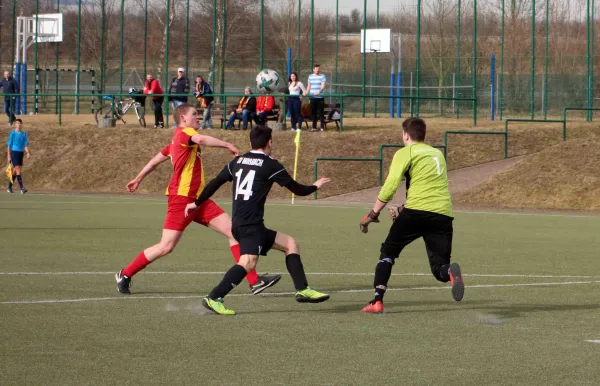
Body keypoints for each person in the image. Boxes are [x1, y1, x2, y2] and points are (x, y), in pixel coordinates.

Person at [115, 104, 281, 296]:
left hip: (199, 200)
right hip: (181, 199)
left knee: (235, 232)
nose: (198, 117)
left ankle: (254, 282)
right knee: (166, 246)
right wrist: (227, 144)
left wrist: (138, 178)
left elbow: (155, 160)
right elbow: (200, 138)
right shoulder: (184, 134)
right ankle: (125, 274)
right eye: (194, 114)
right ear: (183, 119)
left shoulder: (179, 141)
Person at [184, 125, 331, 315]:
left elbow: (215, 183)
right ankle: (214, 298)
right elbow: (298, 190)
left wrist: (197, 203)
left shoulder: (237, 162)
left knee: (290, 244)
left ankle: (302, 290)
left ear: (250, 142)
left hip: (243, 223)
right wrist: (315, 186)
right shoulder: (271, 164)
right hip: (250, 226)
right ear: (269, 142)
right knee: (248, 263)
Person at [359, 118, 464, 314]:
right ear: (423, 135)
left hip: (415, 213)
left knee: (388, 252)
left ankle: (377, 301)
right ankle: (449, 272)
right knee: (439, 268)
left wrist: (373, 213)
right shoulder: (437, 154)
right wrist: (401, 208)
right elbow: (430, 189)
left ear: (405, 135)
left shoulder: (405, 152)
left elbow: (390, 186)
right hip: (442, 214)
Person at [6, 119, 30, 194]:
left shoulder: (24, 134)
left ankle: (9, 187)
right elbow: (9, 146)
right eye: (17, 123)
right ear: (15, 124)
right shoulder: (12, 133)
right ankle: (22, 188)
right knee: (18, 169)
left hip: (20, 153)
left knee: (15, 172)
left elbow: (25, 145)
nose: (19, 125)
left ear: (22, 124)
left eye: (20, 123)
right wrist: (9, 156)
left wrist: (27, 153)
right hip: (14, 153)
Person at [305, 64, 326, 132]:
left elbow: (323, 86)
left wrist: (319, 91)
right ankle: (314, 127)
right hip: (312, 97)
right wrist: (306, 92)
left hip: (320, 97)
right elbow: (309, 86)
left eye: (319, 69)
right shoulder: (310, 77)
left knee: (321, 113)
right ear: (313, 69)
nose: (318, 70)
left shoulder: (323, 76)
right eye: (316, 69)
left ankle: (322, 127)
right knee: (313, 112)